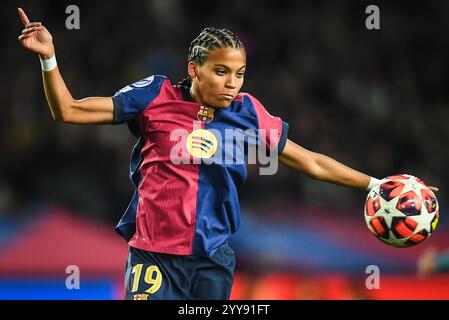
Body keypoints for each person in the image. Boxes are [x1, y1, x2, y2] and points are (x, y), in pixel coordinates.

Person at [17, 7, 381, 300]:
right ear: (194, 69)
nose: (232, 83)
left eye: (239, 73)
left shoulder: (247, 113)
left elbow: (312, 162)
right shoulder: (154, 96)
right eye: (221, 71)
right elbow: (69, 110)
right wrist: (49, 59)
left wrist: (373, 184)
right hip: (154, 256)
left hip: (213, 260)